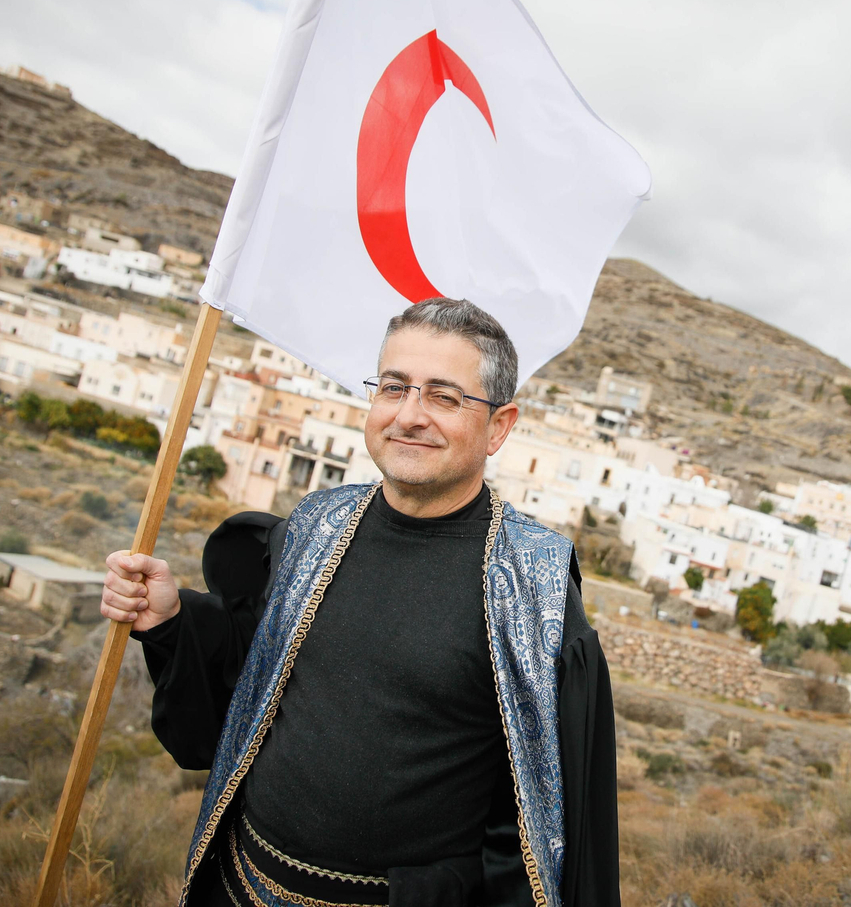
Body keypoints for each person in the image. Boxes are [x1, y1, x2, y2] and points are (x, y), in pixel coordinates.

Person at [100, 299, 618, 907]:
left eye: (445, 397)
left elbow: (557, 813)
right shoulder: (315, 526)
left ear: (500, 426)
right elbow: (248, 681)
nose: (410, 415)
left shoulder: (536, 586)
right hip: (240, 887)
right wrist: (171, 622)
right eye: (394, 388)